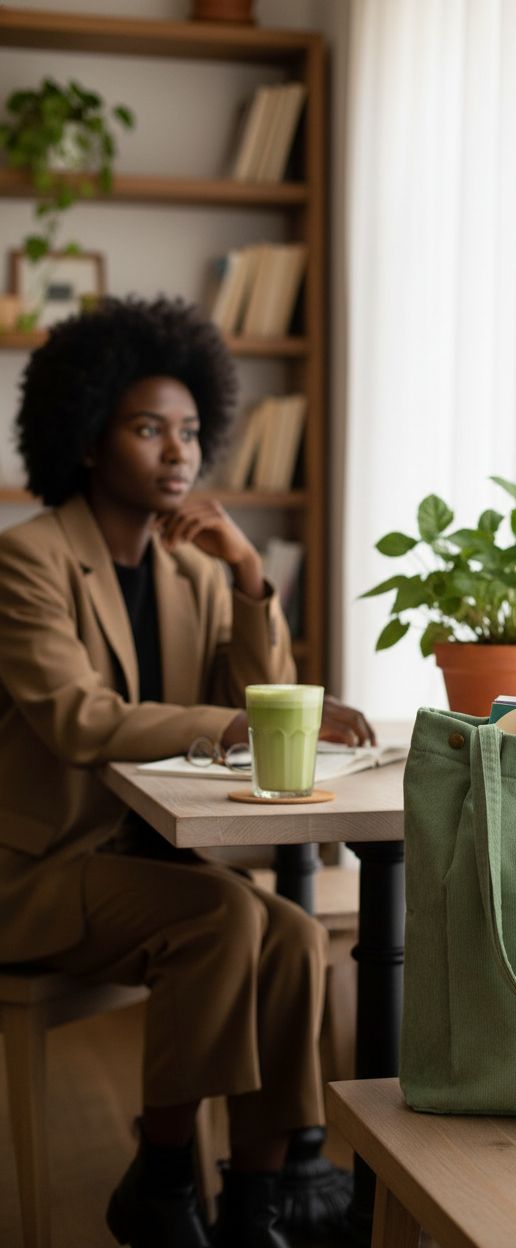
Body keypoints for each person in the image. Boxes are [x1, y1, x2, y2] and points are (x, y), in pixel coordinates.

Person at [0, 296, 374, 1248]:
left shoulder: (196, 571)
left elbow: (261, 696)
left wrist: (251, 574)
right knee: (222, 917)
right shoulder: (28, 561)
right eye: (147, 428)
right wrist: (229, 727)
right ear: (88, 440)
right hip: (38, 875)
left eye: (190, 431)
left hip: (140, 859)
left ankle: (258, 1199)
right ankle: (162, 1182)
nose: (178, 452)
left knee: (288, 933)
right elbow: (80, 719)